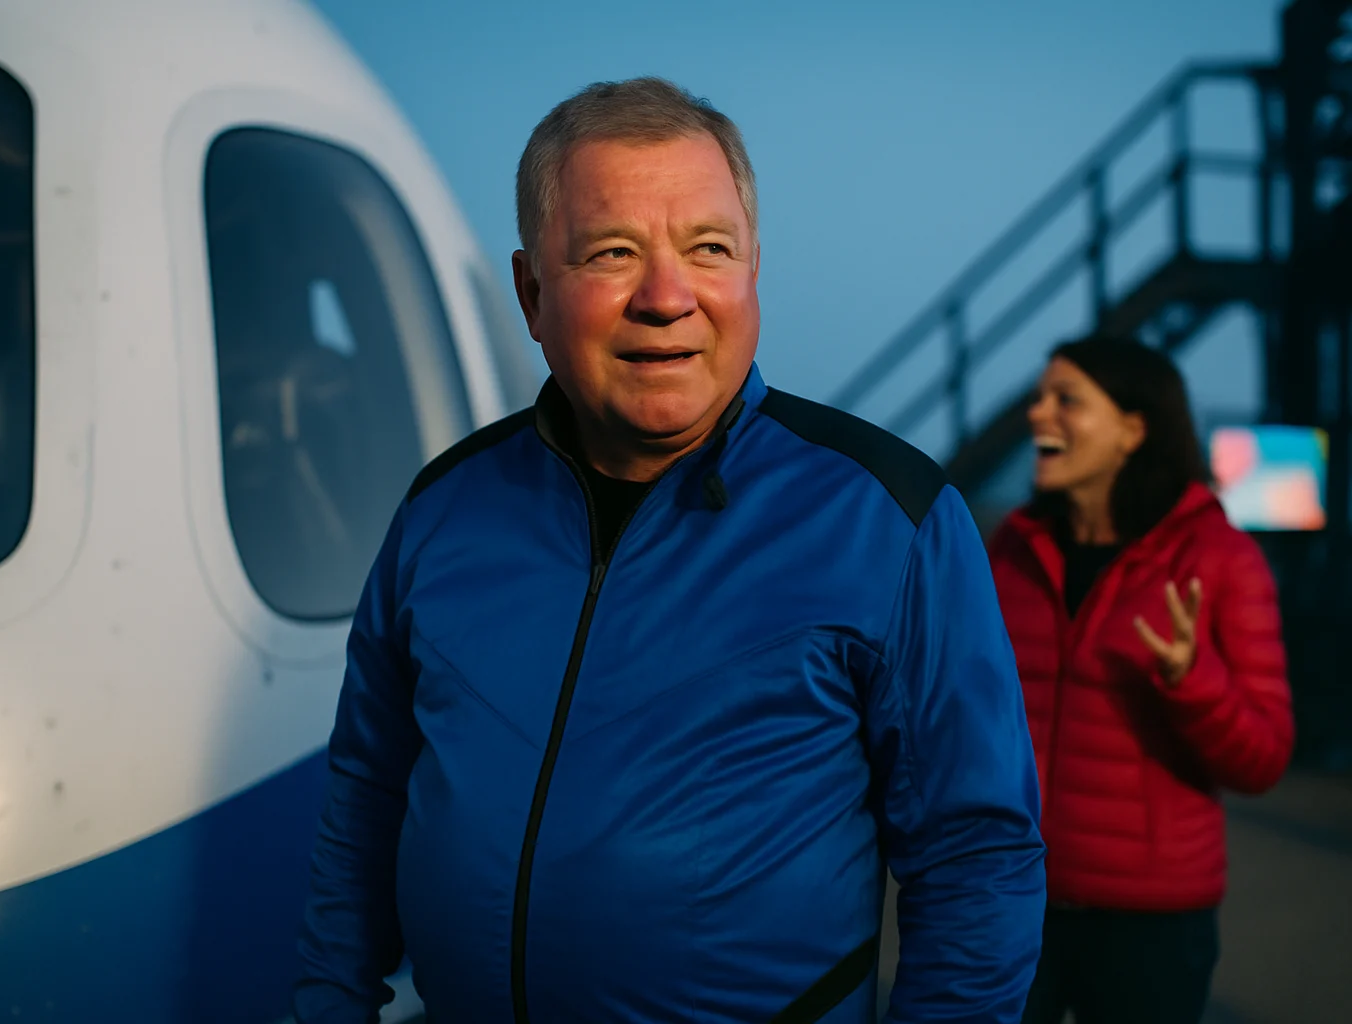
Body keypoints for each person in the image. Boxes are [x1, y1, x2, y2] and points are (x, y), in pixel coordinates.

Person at [295, 76, 1045, 1024]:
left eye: (709, 250)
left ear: (753, 272)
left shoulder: (888, 518)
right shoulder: (444, 510)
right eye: (613, 253)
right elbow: (366, 796)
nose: (666, 296)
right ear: (532, 291)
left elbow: (975, 859)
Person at [988, 337, 1295, 1024]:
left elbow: (1264, 760)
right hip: (1012, 897)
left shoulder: (1220, 558)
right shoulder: (1013, 545)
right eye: (1040, 398)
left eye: (1067, 400)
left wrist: (1193, 679)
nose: (1039, 415)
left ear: (1134, 428)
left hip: (1150, 921)